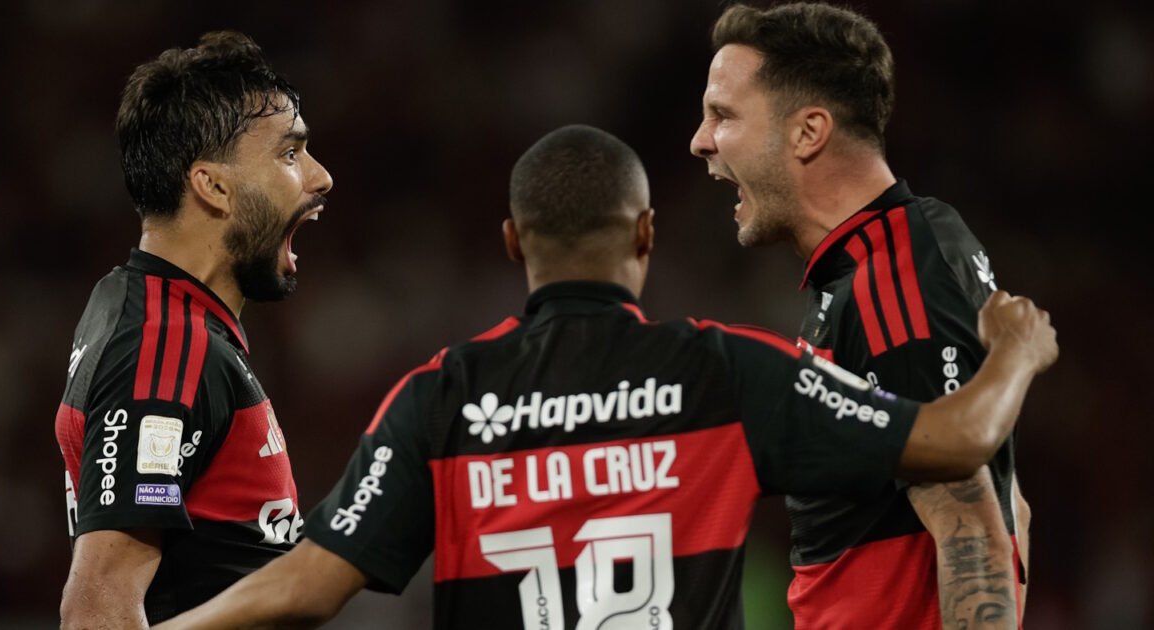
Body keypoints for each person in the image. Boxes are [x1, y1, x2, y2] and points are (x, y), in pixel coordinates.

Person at [153, 125, 1055, 630]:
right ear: (646, 234)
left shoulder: (442, 395)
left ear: (513, 244)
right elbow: (955, 440)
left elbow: (308, 584)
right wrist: (1015, 348)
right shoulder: (727, 370)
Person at [689, 3, 1029, 628]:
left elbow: (975, 530)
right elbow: (1012, 508)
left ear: (807, 132)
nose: (701, 141)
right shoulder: (905, 251)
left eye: (723, 115)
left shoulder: (892, 284)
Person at [55, 31, 333, 628]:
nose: (320, 177)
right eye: (290, 154)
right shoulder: (164, 342)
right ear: (213, 186)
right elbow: (96, 608)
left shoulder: (145, 309)